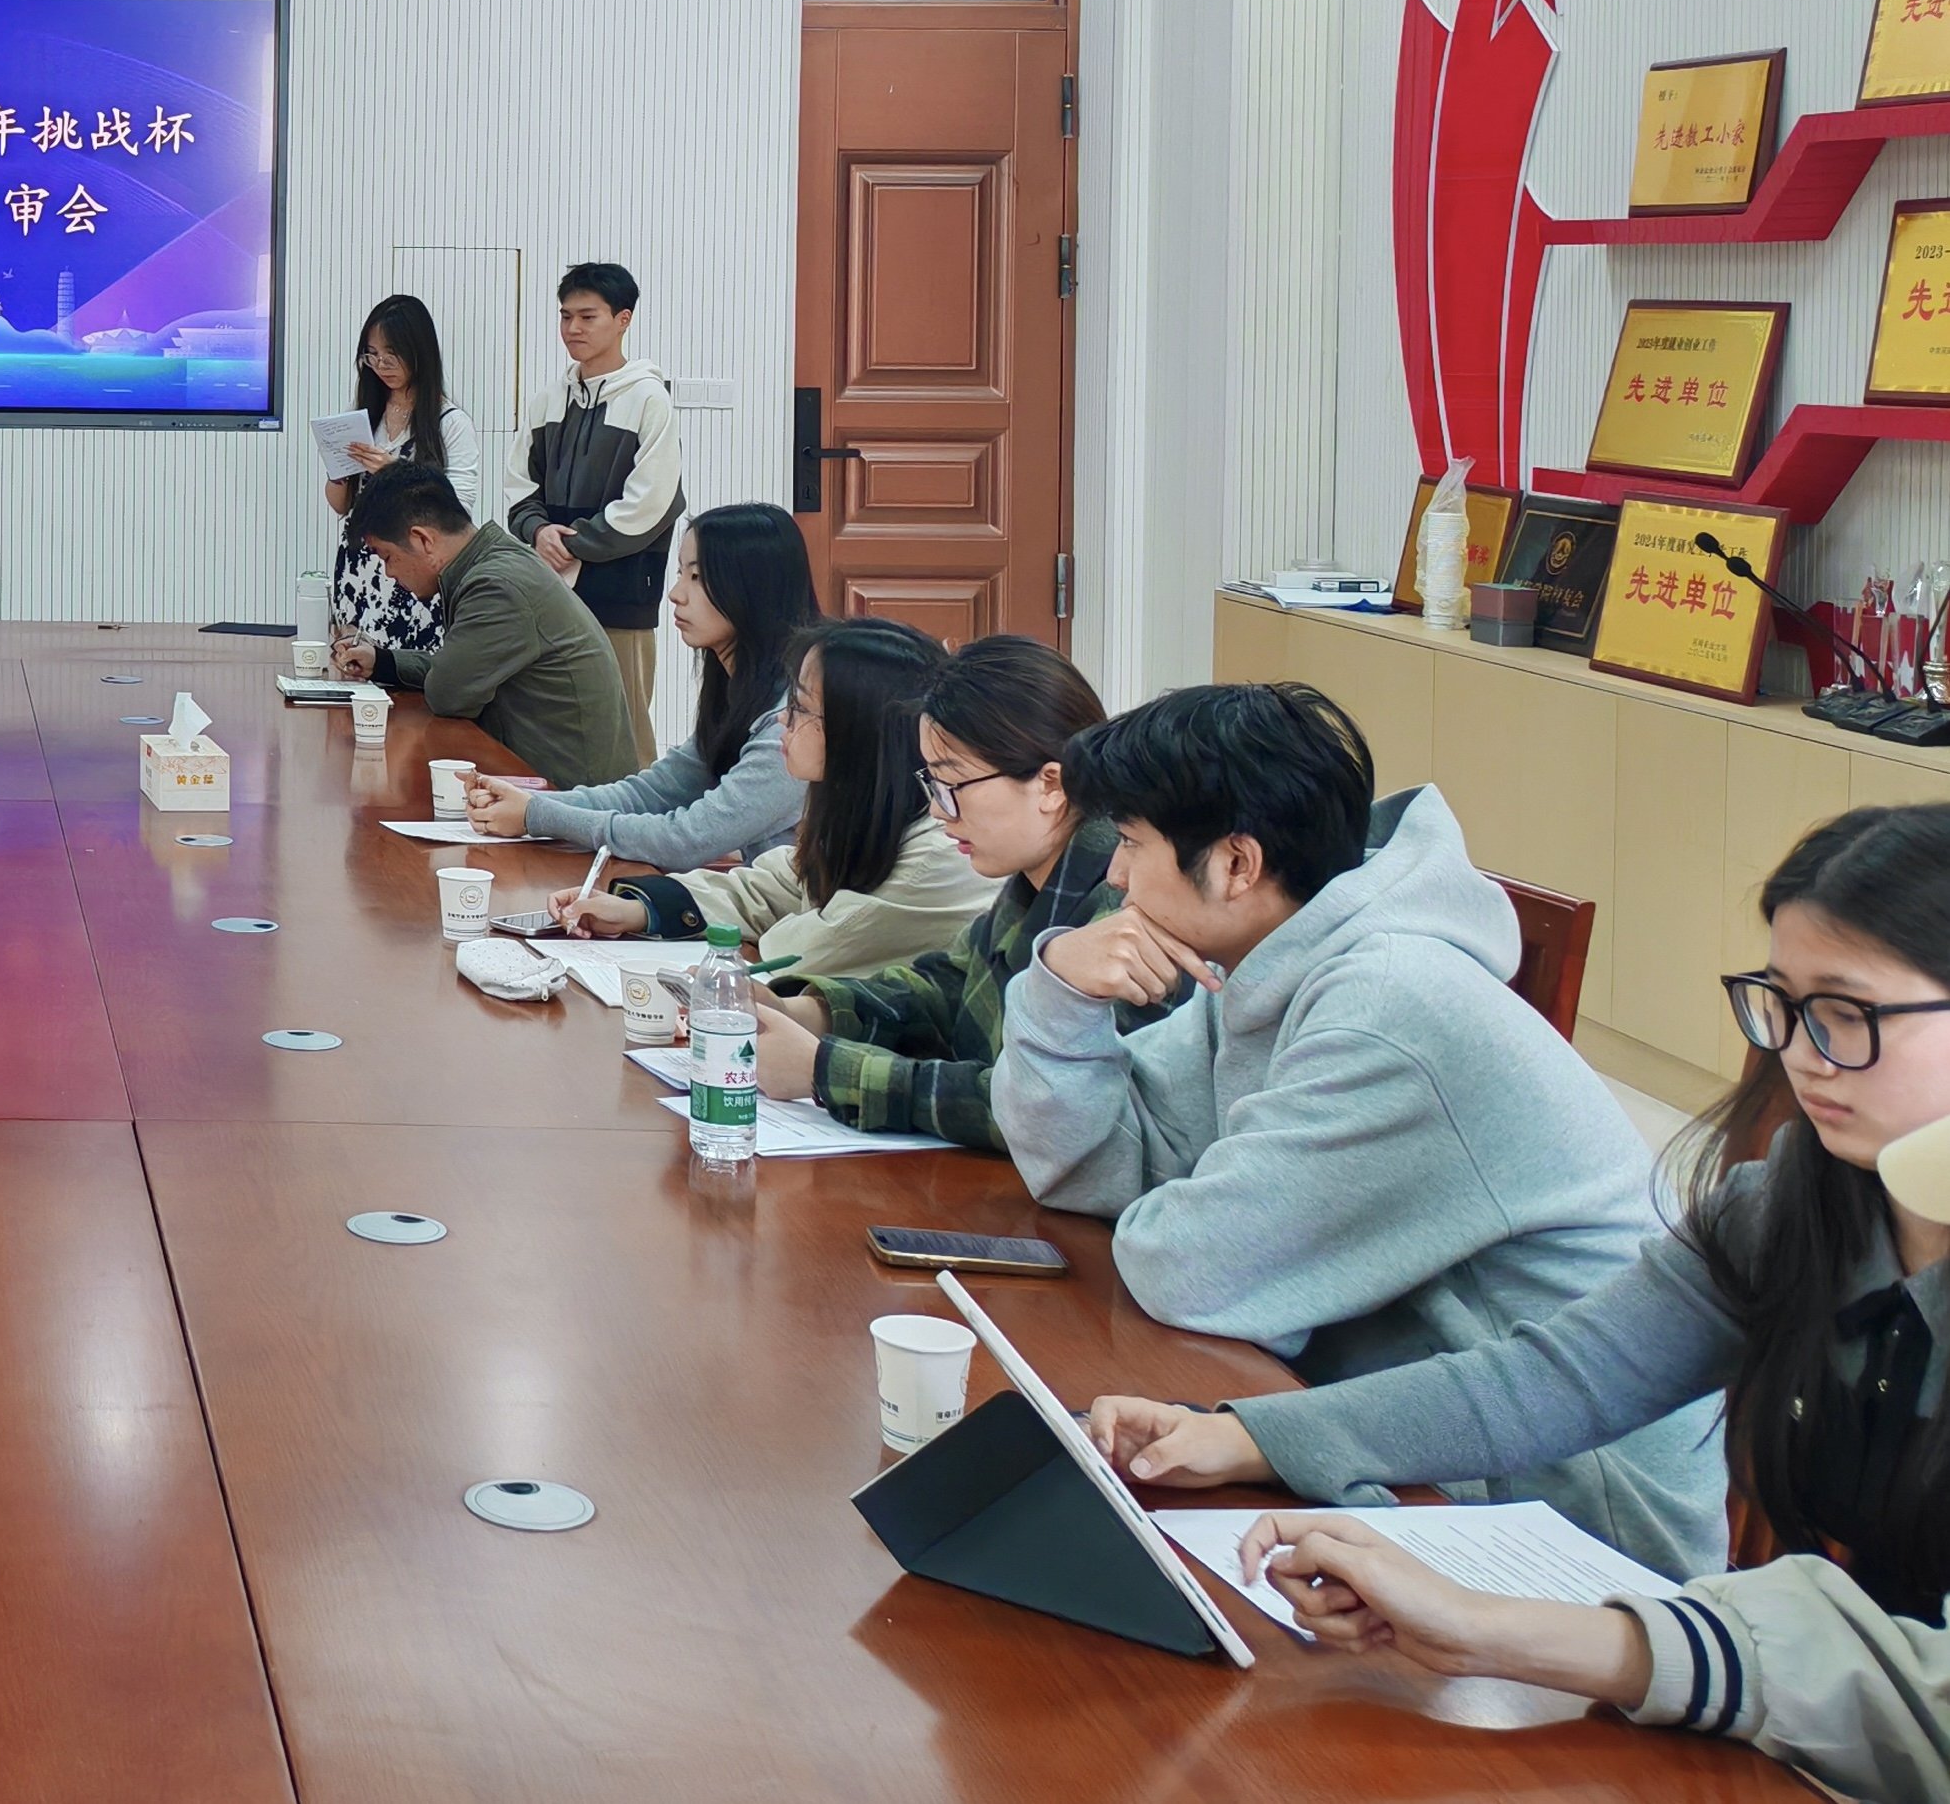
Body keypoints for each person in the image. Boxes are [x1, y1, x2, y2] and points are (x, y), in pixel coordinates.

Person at [1084, 805, 1950, 1801]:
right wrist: (1246, 1436)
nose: (1800, 1053)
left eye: (1847, 1012)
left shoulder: (1391, 995)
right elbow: (1560, 1377)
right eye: (1782, 1005)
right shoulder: (1794, 1207)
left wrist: (1492, 1629)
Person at [994, 681, 1720, 1576]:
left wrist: (1178, 1200)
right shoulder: (1269, 962)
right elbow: (1092, 1170)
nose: (1112, 876)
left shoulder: (1384, 1007)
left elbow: (1188, 1268)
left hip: (1572, 1517)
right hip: (1388, 1427)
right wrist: (1059, 990)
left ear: (1235, 863)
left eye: (1133, 844)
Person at [748, 633, 1164, 1143]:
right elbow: (945, 989)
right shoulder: (1035, 877)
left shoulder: (1123, 906)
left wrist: (825, 1069)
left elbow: (1042, 1106)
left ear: (1051, 785)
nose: (939, 809)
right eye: (932, 783)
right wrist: (801, 1011)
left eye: (953, 784)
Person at [553, 619, 990, 987]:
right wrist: (640, 910)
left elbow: (802, 951)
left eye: (800, 706)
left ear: (856, 731)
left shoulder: (934, 860)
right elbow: (780, 884)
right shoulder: (865, 807)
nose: (783, 718)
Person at [464, 503, 817, 863]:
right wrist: (530, 803)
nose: (676, 593)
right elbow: (650, 794)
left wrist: (537, 816)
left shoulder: (793, 718)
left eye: (697, 577)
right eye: (680, 573)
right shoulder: (743, 691)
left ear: (754, 588)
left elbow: (687, 839)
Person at [328, 461, 635, 791]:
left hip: (572, 798)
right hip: (546, 780)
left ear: (422, 540)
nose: (389, 574)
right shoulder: (493, 560)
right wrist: (383, 661)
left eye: (387, 557)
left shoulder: (496, 586)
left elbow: (448, 693)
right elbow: (464, 668)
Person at [510, 262, 679, 767]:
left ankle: (639, 817)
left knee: (625, 720)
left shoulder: (649, 398)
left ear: (623, 319)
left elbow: (651, 501)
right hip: (551, 588)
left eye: (588, 317)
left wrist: (573, 543)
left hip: (621, 592)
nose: (573, 329)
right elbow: (519, 485)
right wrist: (538, 531)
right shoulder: (548, 399)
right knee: (552, 716)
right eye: (565, 317)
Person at [321, 295, 485, 665]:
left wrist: (394, 473)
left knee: (404, 674)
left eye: (392, 354)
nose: (381, 365)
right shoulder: (364, 416)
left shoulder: (449, 423)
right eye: (372, 355)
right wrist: (337, 473)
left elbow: (459, 508)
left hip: (413, 571)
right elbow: (342, 505)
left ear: (419, 351)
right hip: (359, 565)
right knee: (352, 667)